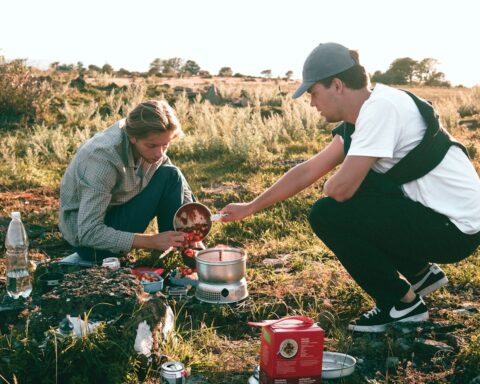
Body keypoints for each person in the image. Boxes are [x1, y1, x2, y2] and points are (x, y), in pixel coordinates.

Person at [220, 42, 480, 333]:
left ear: (338, 85)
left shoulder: (382, 108)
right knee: (354, 190)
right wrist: (250, 207)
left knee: (328, 212)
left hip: (454, 231)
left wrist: (333, 184)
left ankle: (402, 304)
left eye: (313, 92)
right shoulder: (362, 120)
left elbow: (340, 190)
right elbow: (306, 170)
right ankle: (420, 274)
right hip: (440, 220)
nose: (311, 103)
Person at [59, 100, 195, 265]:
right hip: (89, 243)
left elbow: (174, 179)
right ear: (133, 137)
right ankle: (167, 246)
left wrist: (193, 231)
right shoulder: (103, 159)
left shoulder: (149, 141)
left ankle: (179, 247)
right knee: (170, 174)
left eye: (165, 145)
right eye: (152, 145)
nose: (159, 154)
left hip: (116, 211)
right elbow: (88, 233)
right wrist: (151, 241)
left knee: (171, 174)